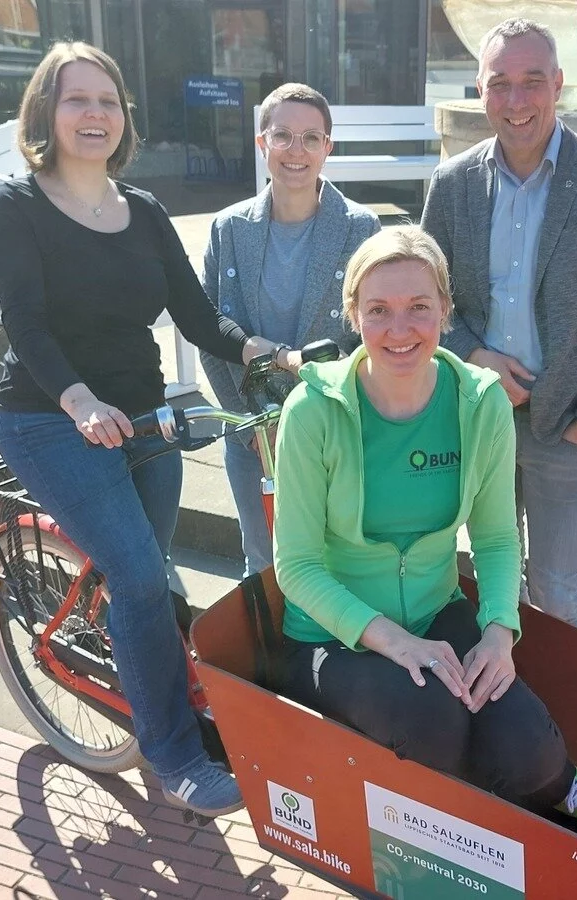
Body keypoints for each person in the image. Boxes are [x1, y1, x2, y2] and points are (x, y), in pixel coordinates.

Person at [0, 42, 299, 817]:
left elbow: (196, 315)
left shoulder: (145, 211)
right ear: (46, 113)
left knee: (147, 573)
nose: (94, 114)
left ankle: (136, 664)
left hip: (147, 420)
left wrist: (263, 350)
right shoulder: (18, 206)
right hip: (50, 420)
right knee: (136, 578)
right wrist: (79, 401)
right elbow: (25, 323)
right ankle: (174, 757)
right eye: (76, 99)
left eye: (107, 101)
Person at [272, 226, 577, 850]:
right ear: (353, 315)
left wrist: (500, 633)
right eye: (378, 310)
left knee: (526, 747)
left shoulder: (481, 403)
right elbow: (297, 566)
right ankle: (453, 834)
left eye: (419, 307)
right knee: (430, 719)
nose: (400, 329)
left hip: (436, 611)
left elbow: (497, 537)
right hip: (334, 635)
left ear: (446, 312)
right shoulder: (312, 410)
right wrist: (395, 643)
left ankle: (560, 785)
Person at [420, 18, 577, 630]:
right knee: (493, 589)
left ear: (558, 84)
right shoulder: (451, 184)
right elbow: (427, 303)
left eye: (532, 81)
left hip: (567, 427)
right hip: (479, 424)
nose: (516, 100)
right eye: (500, 83)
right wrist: (475, 357)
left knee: (557, 598)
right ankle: (505, 690)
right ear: (480, 89)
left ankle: (560, 696)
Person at [201, 82, 381, 576]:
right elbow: (210, 333)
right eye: (282, 136)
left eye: (310, 138)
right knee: (264, 564)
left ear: (328, 147)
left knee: (338, 565)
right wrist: (255, 426)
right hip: (251, 438)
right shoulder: (228, 229)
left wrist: (313, 421)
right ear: (262, 143)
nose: (295, 151)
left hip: (334, 435)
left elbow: (371, 340)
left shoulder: (361, 229)